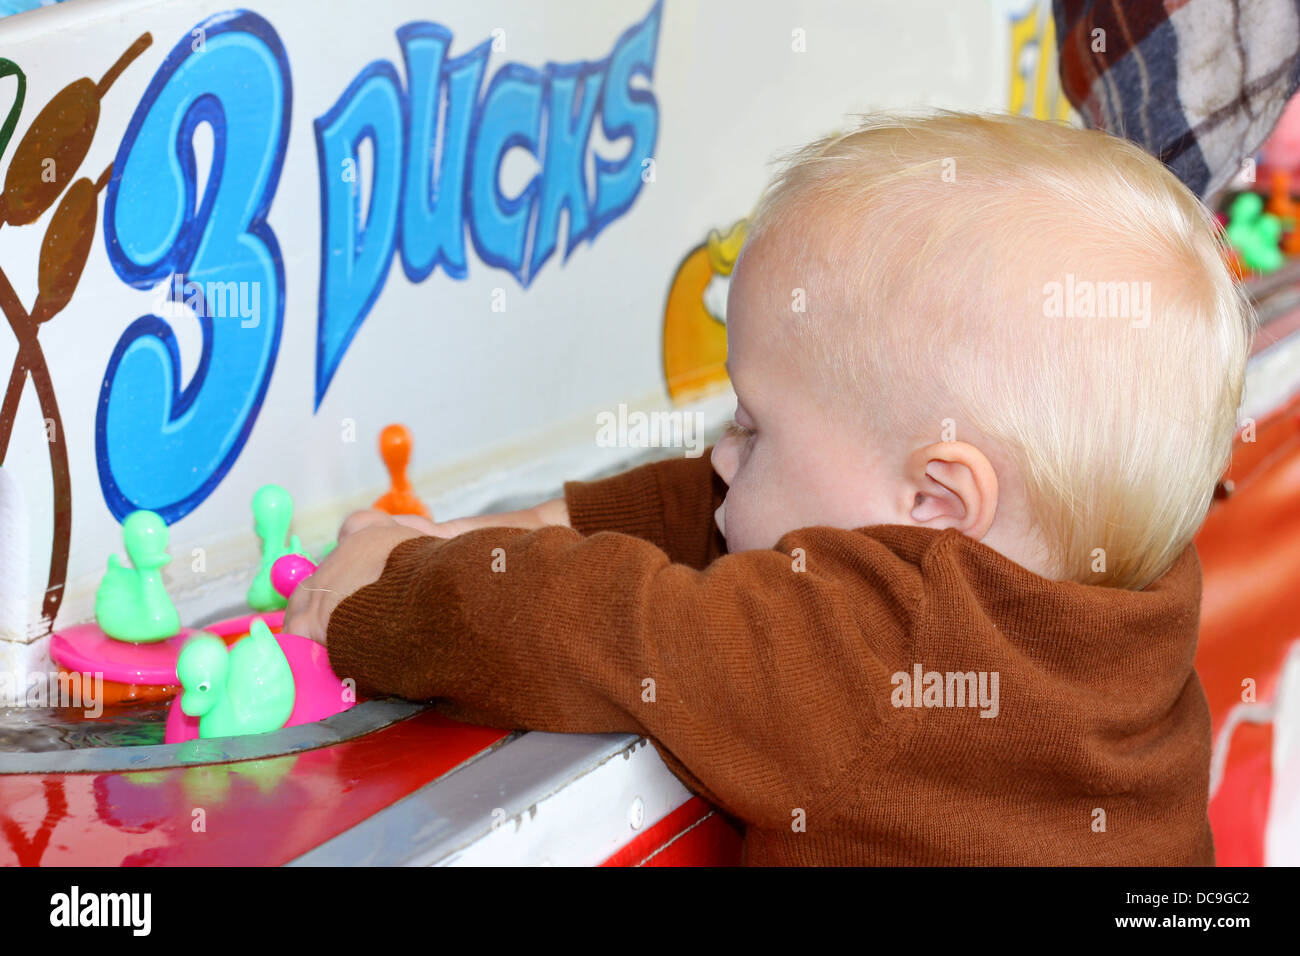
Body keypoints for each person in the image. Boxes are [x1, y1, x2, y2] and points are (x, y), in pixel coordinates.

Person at [283, 112, 1254, 864]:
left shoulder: (872, 655)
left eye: (753, 422)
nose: (720, 450)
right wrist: (544, 515)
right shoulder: (1122, 590)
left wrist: (390, 577)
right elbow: (730, 517)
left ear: (935, 500)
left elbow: (578, 622)